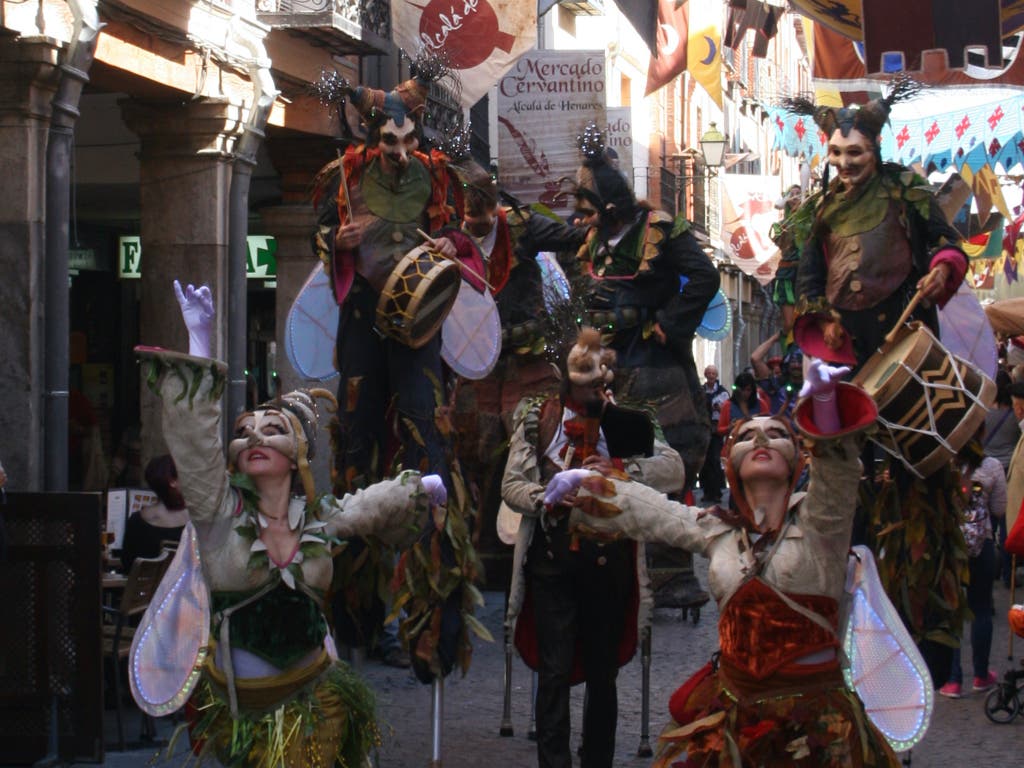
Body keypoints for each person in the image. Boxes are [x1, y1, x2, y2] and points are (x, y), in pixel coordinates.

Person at [133, 281, 447, 766]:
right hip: (247, 719)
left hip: (318, 705)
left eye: (272, 429)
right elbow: (195, 446)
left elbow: (363, 507)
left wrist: (420, 487)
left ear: (298, 452)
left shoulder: (317, 522)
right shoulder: (220, 519)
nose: (254, 436)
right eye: (243, 433)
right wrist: (200, 339)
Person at [548, 359, 902, 766]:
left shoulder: (822, 525)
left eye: (776, 435)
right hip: (737, 722)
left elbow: (837, 477)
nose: (762, 441)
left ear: (796, 460)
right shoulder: (719, 532)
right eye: (748, 436)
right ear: (730, 463)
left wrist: (824, 405)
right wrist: (588, 482)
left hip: (815, 727)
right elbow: (656, 512)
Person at [786, 79, 971, 683]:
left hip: (908, 345)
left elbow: (946, 245)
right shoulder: (820, 208)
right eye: (835, 156)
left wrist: (944, 268)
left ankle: (928, 633)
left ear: (876, 149)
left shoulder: (906, 190)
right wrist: (822, 322)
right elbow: (807, 279)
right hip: (848, 363)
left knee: (922, 488)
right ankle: (843, 622)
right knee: (845, 489)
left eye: (855, 156)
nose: (843, 166)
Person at [502, 327, 684, 768]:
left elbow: (674, 469)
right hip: (551, 559)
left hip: (611, 561)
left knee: (603, 675)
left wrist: (624, 470)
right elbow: (511, 486)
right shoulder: (538, 416)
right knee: (555, 670)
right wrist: (547, 493)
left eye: (602, 375)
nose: (594, 385)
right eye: (584, 375)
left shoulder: (631, 420)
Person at [516, 122, 720, 492]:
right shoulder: (592, 237)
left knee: (659, 448)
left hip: (649, 355)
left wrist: (669, 323)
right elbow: (543, 235)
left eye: (586, 205)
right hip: (602, 360)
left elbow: (705, 276)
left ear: (609, 206)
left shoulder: (659, 228)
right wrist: (510, 220)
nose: (580, 216)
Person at [938, 428, 1004, 698]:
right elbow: (999, 509)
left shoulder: (943, 462)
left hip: (951, 546)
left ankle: (953, 680)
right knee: (981, 609)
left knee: (952, 610)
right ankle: (980, 674)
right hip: (983, 544)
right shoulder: (991, 466)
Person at [120, 454, 188, 571]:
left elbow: (127, 565)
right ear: (173, 481)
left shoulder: (136, 522)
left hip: (145, 589)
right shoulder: (196, 522)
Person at [698, 365, 729, 504]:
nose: (711, 376)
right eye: (709, 373)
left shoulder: (723, 392)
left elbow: (727, 409)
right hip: (703, 429)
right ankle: (706, 491)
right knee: (704, 461)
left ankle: (716, 492)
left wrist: (719, 409)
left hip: (716, 430)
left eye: (713, 373)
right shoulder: (700, 390)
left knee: (715, 460)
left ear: (716, 376)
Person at [716, 370, 770, 437]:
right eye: (742, 390)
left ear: (753, 390)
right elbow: (720, 429)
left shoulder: (761, 404)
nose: (744, 393)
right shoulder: (727, 405)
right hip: (735, 444)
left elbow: (768, 425)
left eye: (748, 390)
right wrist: (729, 428)